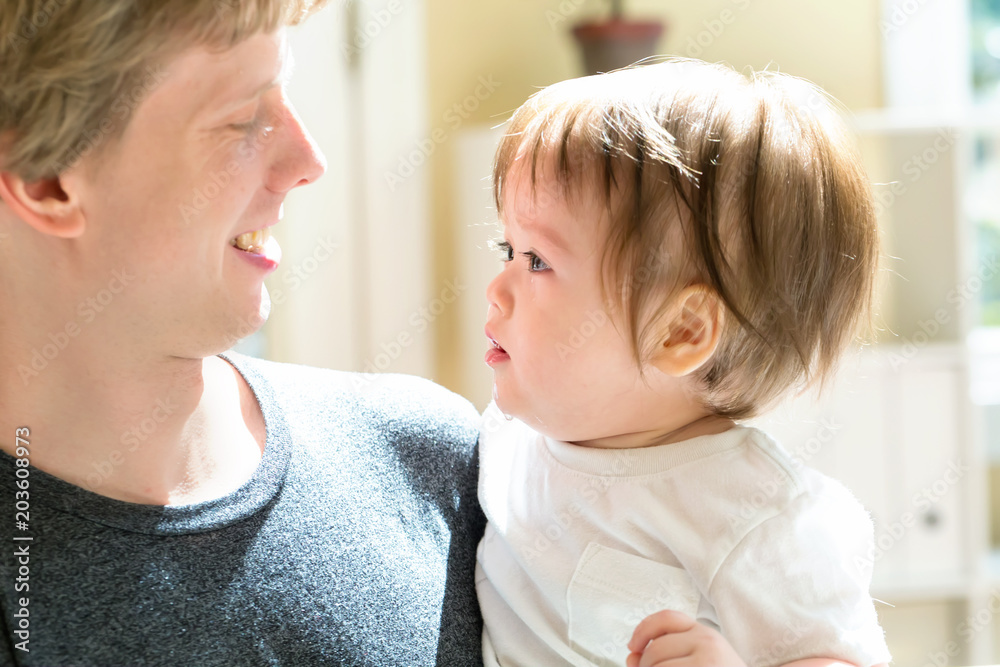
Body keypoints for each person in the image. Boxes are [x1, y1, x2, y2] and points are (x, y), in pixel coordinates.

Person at [0, 2, 484, 664]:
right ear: (46, 181)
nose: (307, 161)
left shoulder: (437, 464)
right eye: (242, 119)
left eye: (286, 92)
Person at [476, 59, 892, 667]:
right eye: (506, 248)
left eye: (537, 261)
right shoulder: (504, 441)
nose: (496, 288)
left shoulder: (755, 515)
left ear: (680, 331)